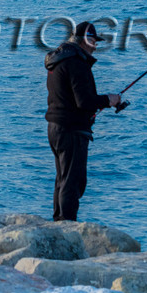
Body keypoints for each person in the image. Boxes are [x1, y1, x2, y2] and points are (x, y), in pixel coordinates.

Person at [45, 21, 121, 222]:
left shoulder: (58, 61)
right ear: (84, 41)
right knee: (73, 181)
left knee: (63, 179)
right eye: (93, 41)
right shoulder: (77, 63)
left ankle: (58, 222)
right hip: (71, 130)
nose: (95, 46)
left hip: (55, 127)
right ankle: (67, 225)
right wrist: (109, 100)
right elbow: (84, 101)